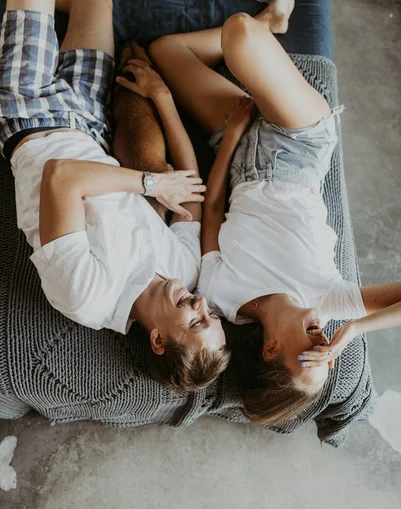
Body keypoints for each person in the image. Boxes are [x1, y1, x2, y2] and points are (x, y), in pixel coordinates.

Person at [131, 11, 401, 424]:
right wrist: (356, 330)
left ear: (271, 349)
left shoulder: (221, 295)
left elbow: (215, 206)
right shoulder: (329, 301)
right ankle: (268, 28)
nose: (325, 344)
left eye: (310, 355)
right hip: (300, 143)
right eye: (327, 359)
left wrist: (235, 133)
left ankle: (271, 24)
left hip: (239, 154)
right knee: (239, 33)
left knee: (165, 51)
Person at [0, 0, 229, 392]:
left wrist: (152, 185)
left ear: (158, 340)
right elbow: (191, 191)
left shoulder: (88, 297)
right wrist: (161, 97)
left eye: (196, 322)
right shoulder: (186, 271)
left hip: (30, 115)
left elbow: (62, 177)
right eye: (212, 314)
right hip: (91, 119)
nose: (200, 304)